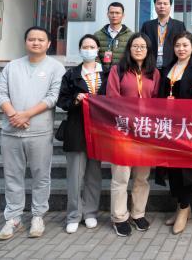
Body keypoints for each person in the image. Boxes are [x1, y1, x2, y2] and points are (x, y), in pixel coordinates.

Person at [0, 26, 65, 241]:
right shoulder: (12, 66)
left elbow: (53, 97)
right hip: (11, 131)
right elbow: (0, 92)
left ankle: (38, 216)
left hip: (39, 132)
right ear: (25, 42)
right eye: (32, 39)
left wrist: (26, 115)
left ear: (49, 44)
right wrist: (13, 114)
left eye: (40, 39)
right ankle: (13, 217)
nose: (36, 42)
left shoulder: (56, 67)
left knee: (41, 176)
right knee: (12, 176)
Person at [106, 33, 161, 237]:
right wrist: (128, 121)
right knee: (121, 176)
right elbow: (112, 98)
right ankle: (119, 217)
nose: (139, 49)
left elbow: (156, 101)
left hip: (145, 132)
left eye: (143, 46)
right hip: (123, 131)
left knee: (142, 177)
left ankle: (138, 213)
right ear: (129, 48)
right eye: (135, 46)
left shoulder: (154, 73)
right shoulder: (118, 70)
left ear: (148, 50)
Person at [157, 31, 192, 234]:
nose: (181, 49)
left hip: (188, 129)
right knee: (173, 169)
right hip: (169, 128)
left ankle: (184, 208)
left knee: (185, 171)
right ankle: (181, 207)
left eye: (185, 45)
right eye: (178, 45)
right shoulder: (169, 67)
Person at [56, 34, 106, 234]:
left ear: (98, 50)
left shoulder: (107, 73)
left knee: (94, 174)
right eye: (85, 46)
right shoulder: (71, 74)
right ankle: (73, 215)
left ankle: (90, 212)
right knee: (75, 175)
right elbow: (62, 101)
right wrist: (76, 99)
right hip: (77, 128)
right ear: (80, 50)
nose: (89, 50)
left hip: (99, 130)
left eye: (92, 47)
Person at [141, 0, 186, 71]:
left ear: (170, 6)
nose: (162, 6)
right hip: (151, 67)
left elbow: (184, 45)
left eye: (165, 4)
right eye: (159, 3)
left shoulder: (179, 25)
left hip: (172, 67)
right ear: (155, 6)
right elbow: (142, 45)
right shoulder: (147, 25)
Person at [93, 2, 133, 72]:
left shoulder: (131, 36)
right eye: (111, 13)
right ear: (107, 14)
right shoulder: (97, 35)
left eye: (117, 13)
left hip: (123, 73)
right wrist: (101, 70)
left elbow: (132, 56)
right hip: (102, 74)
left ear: (123, 15)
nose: (114, 15)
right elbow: (94, 55)